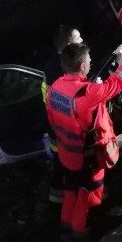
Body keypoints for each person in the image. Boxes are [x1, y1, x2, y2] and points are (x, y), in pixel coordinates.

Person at [45, 25, 122, 242]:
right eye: (89, 59)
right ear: (82, 66)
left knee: (70, 198)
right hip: (87, 161)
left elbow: (54, 122)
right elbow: (117, 83)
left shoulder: (55, 90)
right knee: (85, 204)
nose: (91, 62)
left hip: (67, 157)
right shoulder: (87, 93)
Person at [42, 25, 83, 204]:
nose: (82, 41)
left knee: (59, 164)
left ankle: (56, 197)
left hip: (53, 126)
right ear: (68, 44)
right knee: (67, 164)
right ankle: (70, 199)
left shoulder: (52, 62)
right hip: (62, 128)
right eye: (78, 38)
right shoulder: (61, 70)